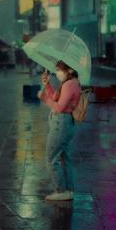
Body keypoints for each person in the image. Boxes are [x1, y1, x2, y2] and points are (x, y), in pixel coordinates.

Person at [39, 60, 82, 202]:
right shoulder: (71, 82)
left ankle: (61, 191)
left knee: (51, 158)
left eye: (59, 69)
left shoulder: (69, 84)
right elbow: (55, 98)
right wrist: (47, 85)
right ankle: (69, 190)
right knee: (65, 158)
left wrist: (44, 98)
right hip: (64, 123)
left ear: (69, 70)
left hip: (61, 123)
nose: (57, 72)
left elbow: (58, 107)